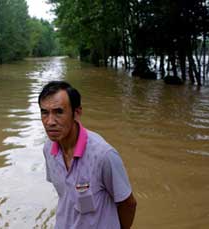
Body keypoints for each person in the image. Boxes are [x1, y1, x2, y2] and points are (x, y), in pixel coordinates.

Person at [39, 81, 137, 229]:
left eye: (59, 112)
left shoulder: (103, 155)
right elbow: (64, 195)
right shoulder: (48, 149)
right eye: (44, 112)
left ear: (76, 113)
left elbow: (128, 204)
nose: (50, 122)